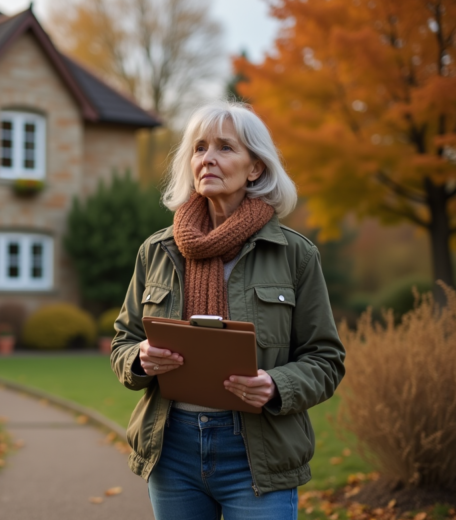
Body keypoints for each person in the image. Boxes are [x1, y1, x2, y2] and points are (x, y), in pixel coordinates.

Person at [110, 100, 345, 520]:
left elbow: (326, 360)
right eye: (199, 148)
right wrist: (141, 359)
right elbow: (123, 343)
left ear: (255, 167)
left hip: (258, 453)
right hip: (173, 449)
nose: (208, 159)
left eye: (225, 148)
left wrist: (276, 384)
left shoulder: (295, 255)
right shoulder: (157, 251)